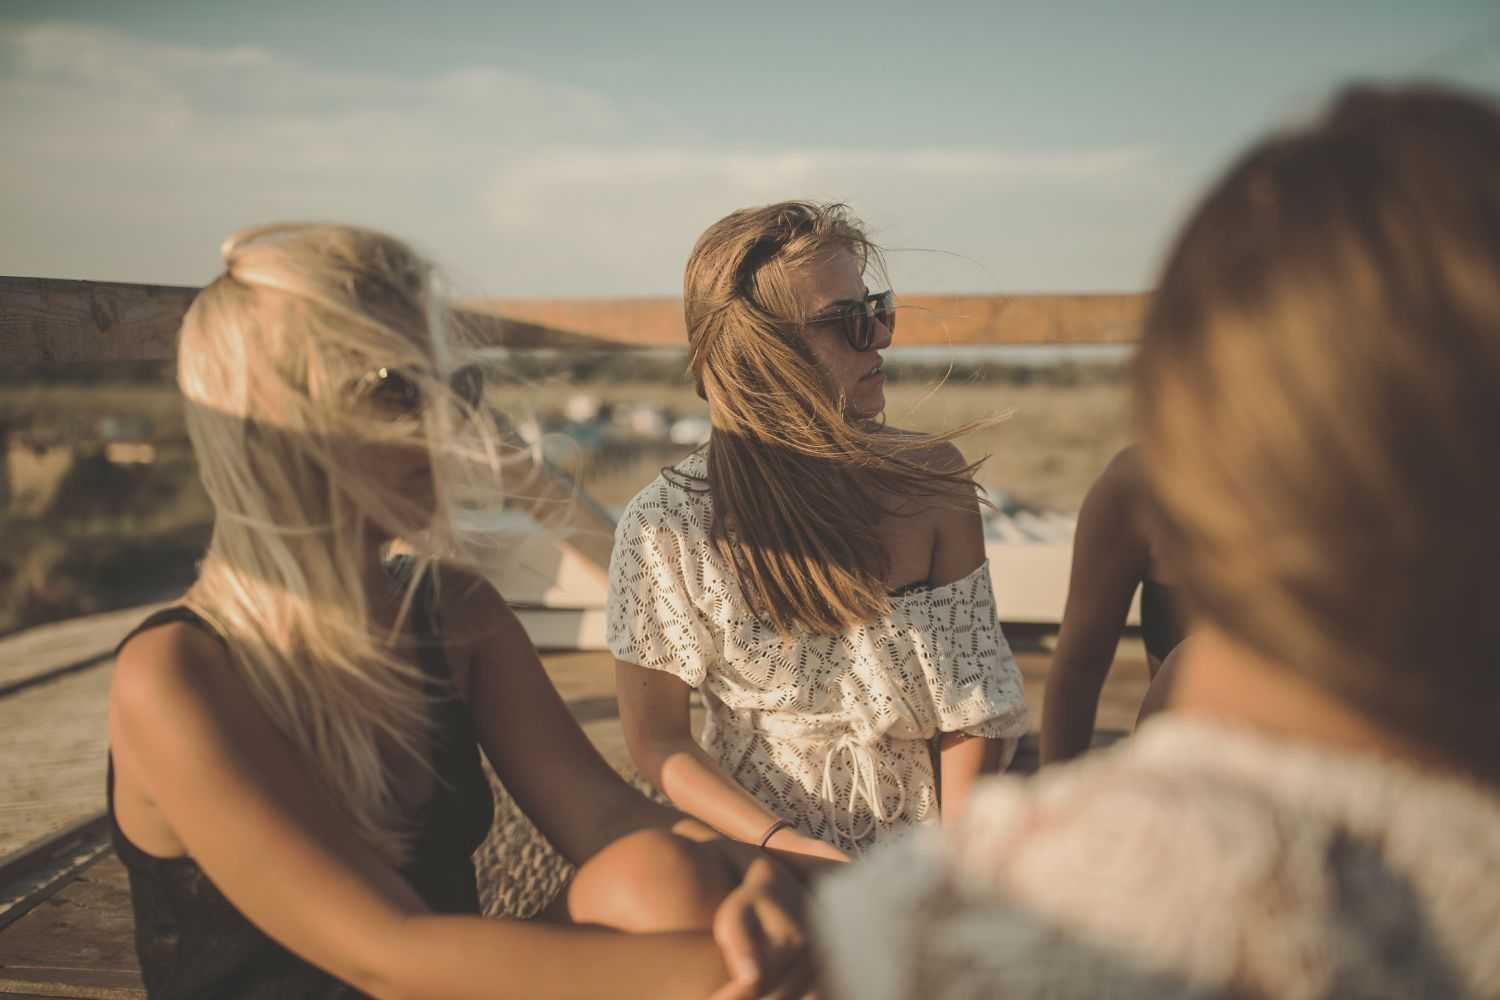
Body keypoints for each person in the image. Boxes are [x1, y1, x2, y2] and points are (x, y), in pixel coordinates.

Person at [813, 84, 1500, 998]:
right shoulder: (1131, 492)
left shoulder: (940, 918)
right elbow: (1080, 655)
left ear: (1187, 393)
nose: (877, 341)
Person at [106, 223, 813, 1000]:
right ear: (279, 425)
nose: (450, 428)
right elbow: (387, 955)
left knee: (667, 875)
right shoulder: (176, 672)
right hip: (407, 970)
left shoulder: (454, 615)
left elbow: (608, 819)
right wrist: (796, 969)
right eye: (397, 390)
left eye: (458, 389)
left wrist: (750, 872)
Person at [610, 202, 1030, 863]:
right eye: (850, 323)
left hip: (925, 851)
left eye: (879, 308)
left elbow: (973, 709)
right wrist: (788, 850)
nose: (882, 338)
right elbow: (660, 743)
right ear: (761, 353)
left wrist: (951, 869)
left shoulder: (930, 484)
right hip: (760, 854)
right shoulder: (665, 527)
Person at [1040, 445, 1187, 763]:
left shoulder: (1313, 479)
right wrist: (1058, 793)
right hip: (1183, 770)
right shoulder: (1139, 481)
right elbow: (1079, 667)